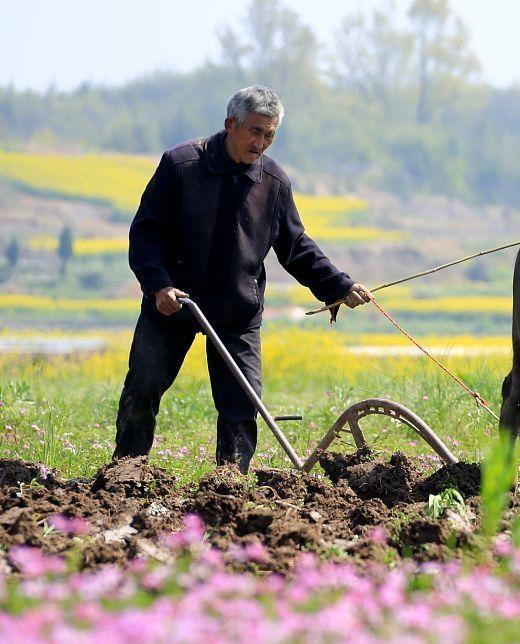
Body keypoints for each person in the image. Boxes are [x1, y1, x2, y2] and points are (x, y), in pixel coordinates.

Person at [113, 85, 372, 473]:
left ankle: (230, 482)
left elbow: (296, 246)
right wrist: (158, 286)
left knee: (242, 400)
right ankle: (125, 471)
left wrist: (338, 285)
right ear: (230, 124)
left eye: (270, 134)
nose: (261, 142)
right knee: (143, 388)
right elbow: (146, 233)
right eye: (254, 131)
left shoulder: (274, 184)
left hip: (237, 308)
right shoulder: (180, 165)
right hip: (174, 303)